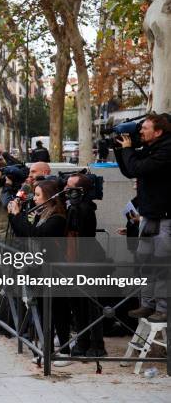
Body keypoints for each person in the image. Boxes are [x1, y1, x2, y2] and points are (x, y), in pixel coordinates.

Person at [8, 180, 72, 366]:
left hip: (54, 269)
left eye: (37, 195)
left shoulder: (57, 218)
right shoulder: (39, 215)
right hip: (38, 268)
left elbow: (36, 235)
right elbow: (24, 232)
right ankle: (47, 350)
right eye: (34, 194)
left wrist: (18, 216)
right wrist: (15, 216)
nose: (34, 199)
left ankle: (65, 351)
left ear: (50, 197)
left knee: (59, 311)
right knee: (44, 310)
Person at [115, 113, 171, 323]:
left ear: (158, 132)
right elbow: (129, 171)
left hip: (165, 217)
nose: (140, 132)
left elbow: (137, 167)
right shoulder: (152, 148)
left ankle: (163, 308)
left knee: (162, 265)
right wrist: (120, 149)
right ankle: (147, 305)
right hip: (149, 214)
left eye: (144, 128)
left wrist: (129, 149)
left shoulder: (166, 150)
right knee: (144, 261)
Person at [65, 173, 107, 357]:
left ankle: (97, 345)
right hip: (77, 261)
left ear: (79, 191)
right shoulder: (75, 207)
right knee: (78, 305)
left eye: (70, 187)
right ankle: (82, 341)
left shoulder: (84, 208)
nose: (65, 190)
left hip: (87, 260)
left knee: (90, 304)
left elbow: (79, 233)